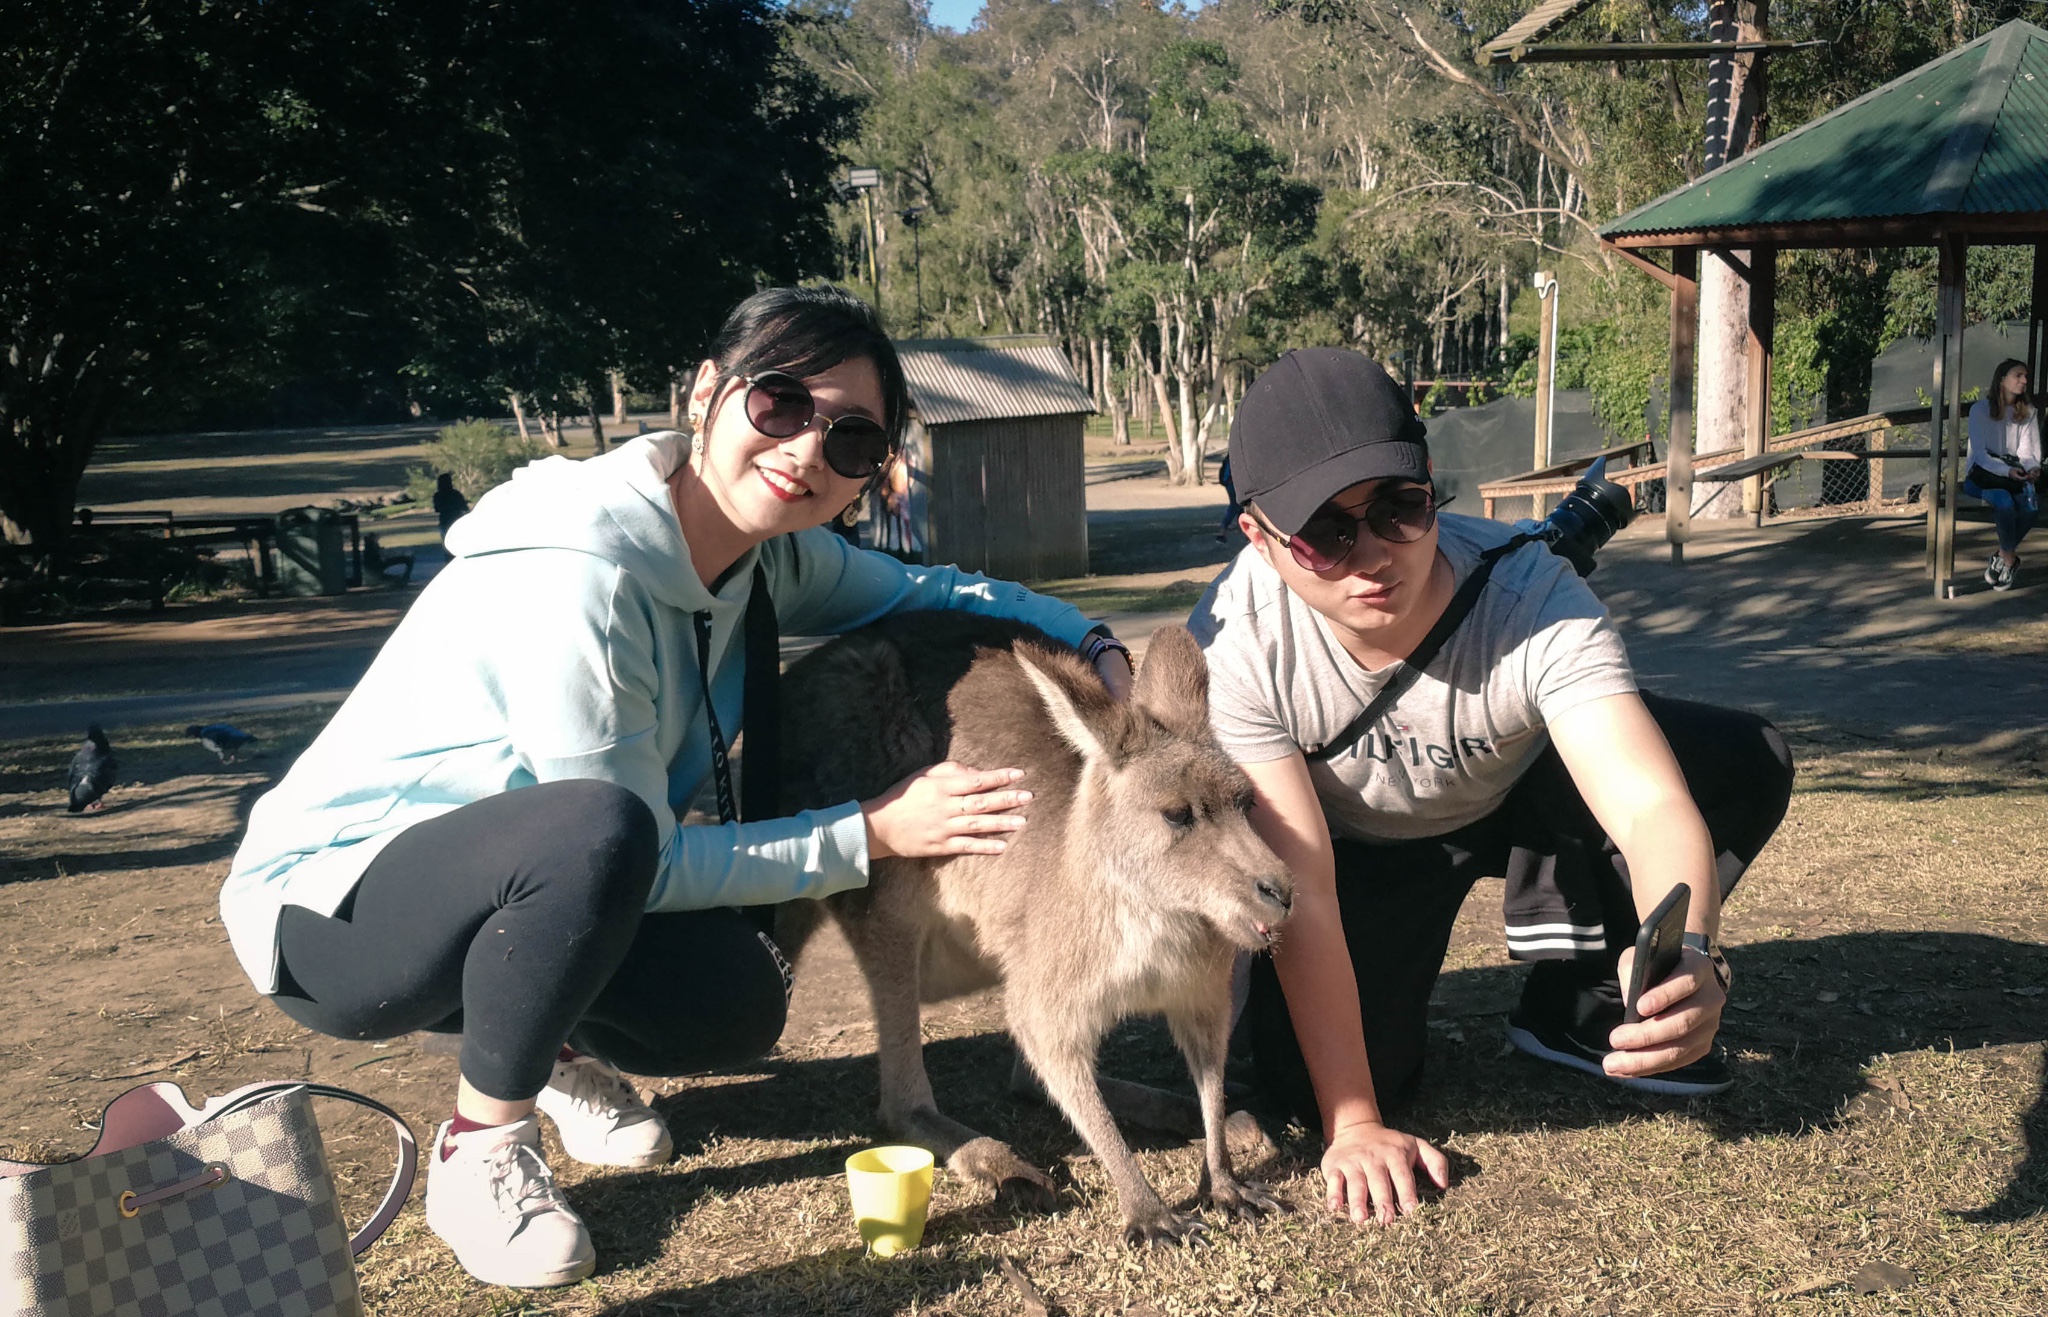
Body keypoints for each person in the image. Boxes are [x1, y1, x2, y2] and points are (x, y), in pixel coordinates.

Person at [220, 286, 1136, 1289]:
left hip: (526, 893)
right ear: (705, 394)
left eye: (851, 440)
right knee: (596, 825)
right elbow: (626, 852)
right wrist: (869, 831)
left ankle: (547, 1046)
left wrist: (1083, 636)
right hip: (335, 916)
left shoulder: (760, 559)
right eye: (780, 404)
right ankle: (481, 1150)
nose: (803, 452)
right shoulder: (581, 574)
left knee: (730, 1004)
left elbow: (931, 588)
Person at [1187, 349, 1792, 1227]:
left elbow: (1649, 804)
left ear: (1433, 483)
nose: (1373, 556)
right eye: (1326, 533)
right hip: (1361, 848)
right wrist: (1353, 1120)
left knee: (1740, 757)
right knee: (1315, 1083)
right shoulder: (1238, 643)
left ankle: (1581, 1000)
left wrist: (1693, 947)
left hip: (1517, 797)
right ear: (1259, 536)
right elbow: (1305, 887)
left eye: (1400, 509)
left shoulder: (1530, 593)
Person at [1962, 358, 2041, 592]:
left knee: (2031, 508)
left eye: (2025, 376)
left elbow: (2028, 451)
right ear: (2002, 379)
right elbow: (1980, 454)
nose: (2024, 381)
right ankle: (2009, 561)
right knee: (2004, 501)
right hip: (1983, 476)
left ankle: (2003, 554)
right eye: (2018, 375)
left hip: (2014, 475)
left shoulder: (2028, 412)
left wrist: (2032, 468)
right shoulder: (1980, 410)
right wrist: (2006, 470)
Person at [431, 471, 471, 540]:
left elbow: (437, 509)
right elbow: (465, 508)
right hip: (457, 521)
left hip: (444, 521)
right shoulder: (456, 494)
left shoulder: (437, 495)